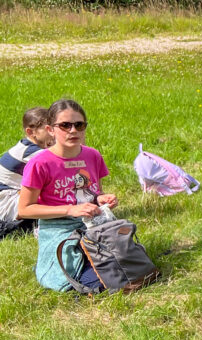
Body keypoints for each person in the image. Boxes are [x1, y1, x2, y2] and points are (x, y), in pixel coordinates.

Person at [17, 99, 118, 292]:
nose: (73, 131)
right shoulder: (39, 163)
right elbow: (25, 209)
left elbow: (94, 192)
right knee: (98, 280)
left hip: (93, 223)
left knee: (129, 260)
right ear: (51, 129)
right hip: (59, 227)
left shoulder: (92, 156)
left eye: (79, 125)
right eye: (65, 125)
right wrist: (70, 210)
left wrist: (101, 200)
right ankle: (51, 265)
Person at [0, 107, 52, 237]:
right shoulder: (31, 152)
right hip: (5, 201)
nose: (53, 133)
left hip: (11, 196)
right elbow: (63, 163)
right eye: (47, 129)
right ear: (31, 132)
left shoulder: (28, 146)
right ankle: (40, 227)